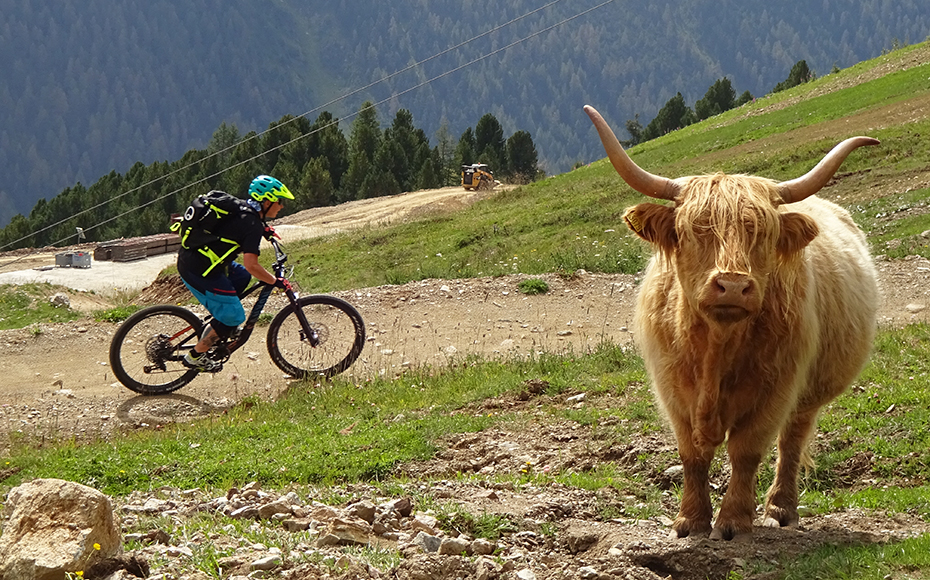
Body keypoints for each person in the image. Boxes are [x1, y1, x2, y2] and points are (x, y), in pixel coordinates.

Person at [177, 175, 294, 371]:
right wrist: (275, 281)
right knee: (234, 316)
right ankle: (195, 357)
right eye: (279, 201)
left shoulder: (244, 209)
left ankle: (220, 324)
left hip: (201, 261)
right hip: (199, 271)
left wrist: (265, 229)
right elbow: (252, 265)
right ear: (266, 201)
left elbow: (236, 229)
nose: (281, 206)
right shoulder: (251, 225)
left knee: (241, 277)